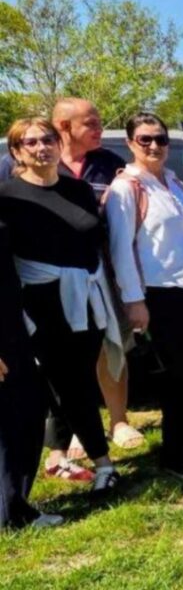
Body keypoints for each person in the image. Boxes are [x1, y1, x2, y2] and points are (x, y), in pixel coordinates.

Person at [5, 99, 145, 475]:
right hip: (43, 306)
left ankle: (61, 456)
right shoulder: (8, 198)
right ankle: (102, 465)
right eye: (30, 142)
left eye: (46, 140)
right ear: (16, 151)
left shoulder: (78, 190)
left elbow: (94, 241)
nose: (41, 148)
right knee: (70, 385)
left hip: (88, 301)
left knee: (78, 380)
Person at [104, 113, 183, 475]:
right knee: (175, 377)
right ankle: (175, 455)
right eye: (145, 139)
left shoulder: (172, 181)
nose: (154, 145)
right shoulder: (127, 188)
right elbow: (120, 249)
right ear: (132, 143)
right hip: (159, 293)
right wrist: (134, 300)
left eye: (160, 139)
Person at [0, 218, 64, 529]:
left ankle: (16, 505)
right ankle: (12, 513)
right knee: (11, 425)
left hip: (13, 331)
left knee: (27, 414)